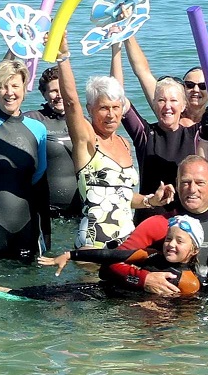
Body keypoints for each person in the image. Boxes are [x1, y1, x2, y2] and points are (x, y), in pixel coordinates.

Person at [55, 46, 174, 249]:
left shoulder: (124, 143)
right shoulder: (88, 140)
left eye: (115, 108)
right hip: (93, 242)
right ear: (90, 110)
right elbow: (71, 102)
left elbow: (122, 197)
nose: (110, 115)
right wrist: (62, 57)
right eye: (103, 108)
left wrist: (151, 200)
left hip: (128, 241)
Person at [0, 58, 51, 265]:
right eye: (3, 86)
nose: (9, 92)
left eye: (15, 85)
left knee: (27, 290)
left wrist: (46, 232)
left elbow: (40, 180)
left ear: (24, 89)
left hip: (26, 225)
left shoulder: (38, 129)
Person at [14, 214, 203, 300]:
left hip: (122, 307)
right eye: (169, 239)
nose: (171, 244)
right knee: (58, 292)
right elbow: (111, 255)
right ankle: (9, 292)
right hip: (106, 291)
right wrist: (71, 255)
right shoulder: (151, 255)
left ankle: (6, 293)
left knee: (60, 299)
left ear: (194, 250)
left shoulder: (189, 282)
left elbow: (183, 318)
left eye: (180, 241)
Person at [117, 155, 208, 278]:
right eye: (185, 182)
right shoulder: (154, 225)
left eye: (200, 183)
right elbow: (109, 266)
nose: (192, 189)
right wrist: (145, 279)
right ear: (177, 184)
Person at [121, 36, 198, 217]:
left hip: (184, 223)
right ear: (154, 104)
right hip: (147, 221)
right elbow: (117, 96)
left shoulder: (196, 134)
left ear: (183, 105)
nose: (167, 106)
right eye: (161, 100)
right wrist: (118, 45)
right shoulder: (146, 135)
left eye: (173, 100)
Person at [31, 64, 82, 219]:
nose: (59, 95)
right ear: (44, 94)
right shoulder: (33, 120)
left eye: (62, 89)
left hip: (80, 209)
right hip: (46, 211)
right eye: (53, 91)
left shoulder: (82, 121)